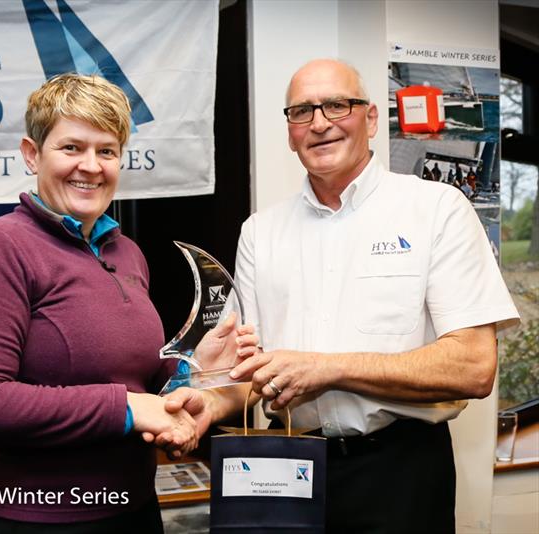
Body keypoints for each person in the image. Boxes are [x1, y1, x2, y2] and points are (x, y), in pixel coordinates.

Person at [156, 59, 519, 533]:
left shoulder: (437, 210)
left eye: (336, 105)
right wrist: (210, 405)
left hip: (398, 472)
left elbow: (473, 368)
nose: (320, 123)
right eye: (303, 111)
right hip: (288, 468)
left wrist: (327, 368)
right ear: (290, 132)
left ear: (370, 119)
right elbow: (250, 372)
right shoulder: (261, 232)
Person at [0, 73, 256, 533]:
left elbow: (131, 375)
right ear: (32, 154)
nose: (91, 165)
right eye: (71, 148)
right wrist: (126, 408)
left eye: (106, 151)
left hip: (132, 510)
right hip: (27, 519)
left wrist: (191, 368)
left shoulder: (126, 253)